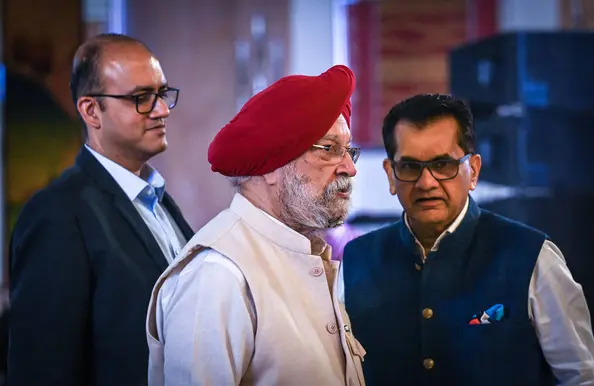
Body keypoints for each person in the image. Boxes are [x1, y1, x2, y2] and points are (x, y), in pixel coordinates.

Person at [339, 93, 594, 385]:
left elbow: (581, 377)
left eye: (443, 165)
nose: (427, 183)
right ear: (391, 174)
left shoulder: (530, 256)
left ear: (473, 170)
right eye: (410, 167)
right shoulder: (354, 262)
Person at [146, 65, 366, 386]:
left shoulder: (304, 252)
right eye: (329, 149)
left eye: (349, 151)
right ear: (272, 167)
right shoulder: (217, 275)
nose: (348, 167)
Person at [8, 33, 194, 386]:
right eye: (141, 98)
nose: (162, 110)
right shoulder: (58, 213)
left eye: (162, 94)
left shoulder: (158, 200)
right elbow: (41, 367)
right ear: (91, 110)